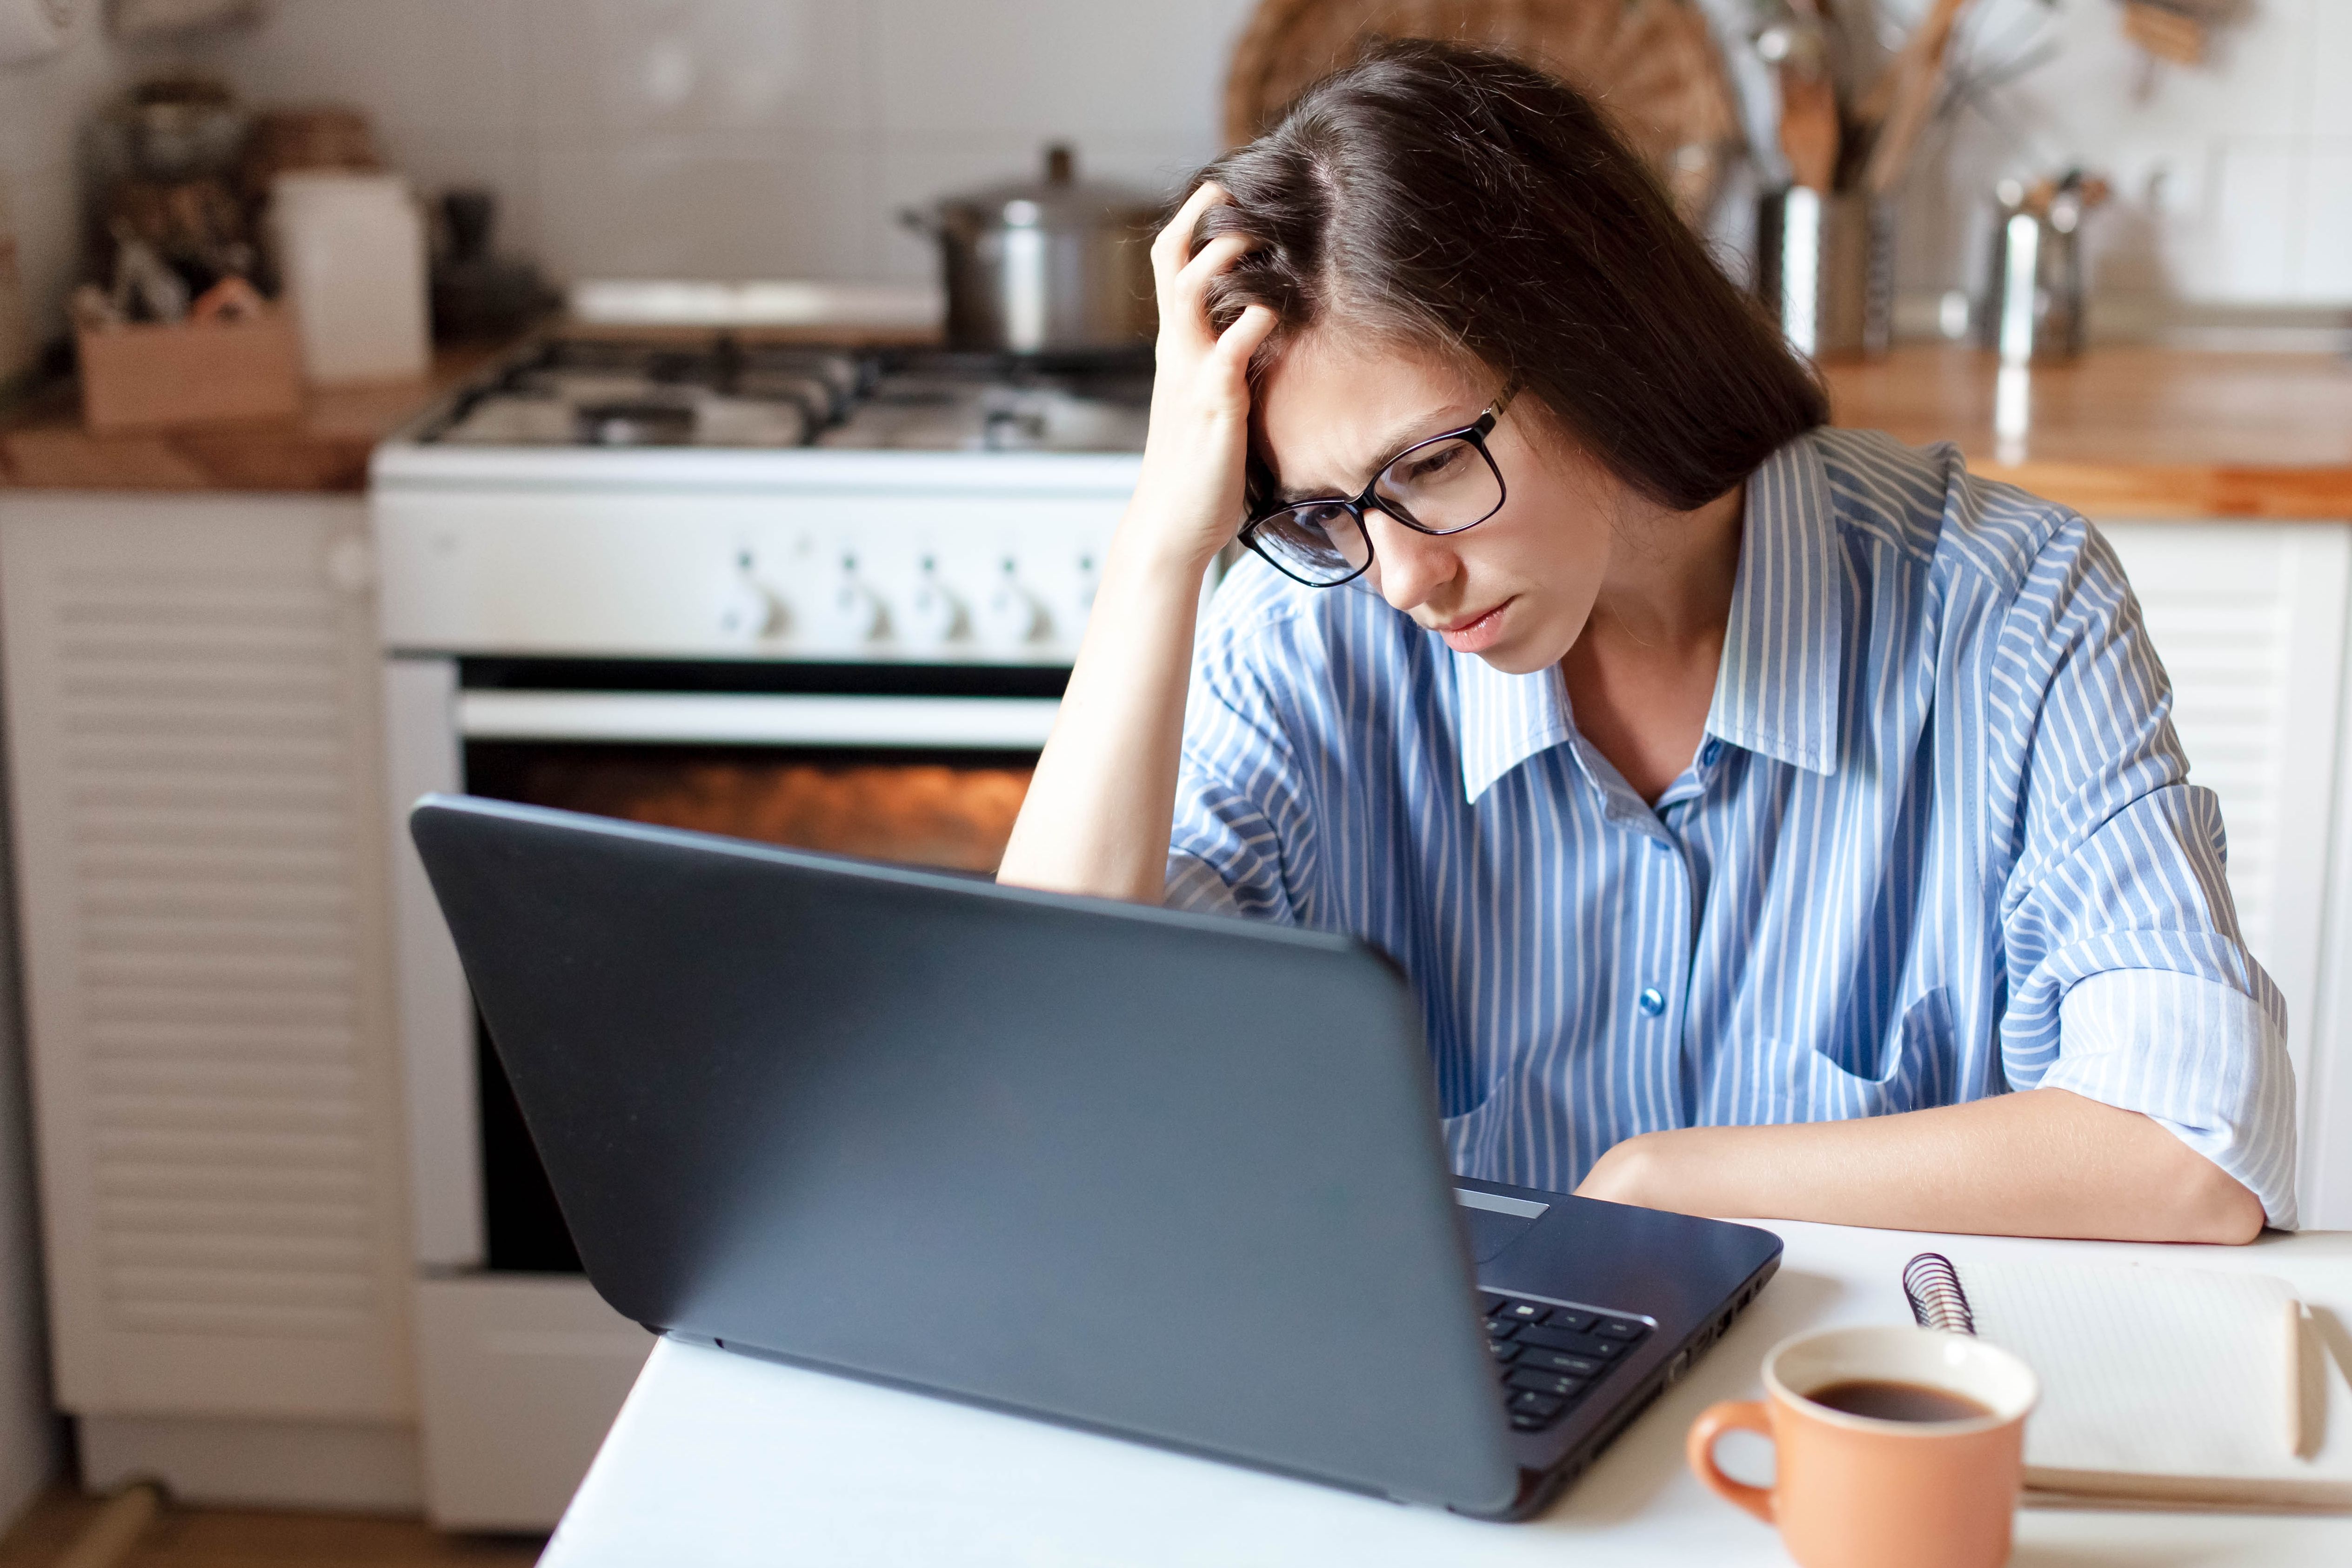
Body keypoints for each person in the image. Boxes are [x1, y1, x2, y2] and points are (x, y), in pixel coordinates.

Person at [996, 40, 2292, 1242]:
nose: (1400, 578)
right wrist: (1166, 542)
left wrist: (1661, 1181)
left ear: (1592, 345)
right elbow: (1053, 1073)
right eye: (1330, 512)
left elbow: (2197, 1145)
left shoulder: (2006, 605)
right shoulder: (1308, 626)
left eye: (1432, 467)